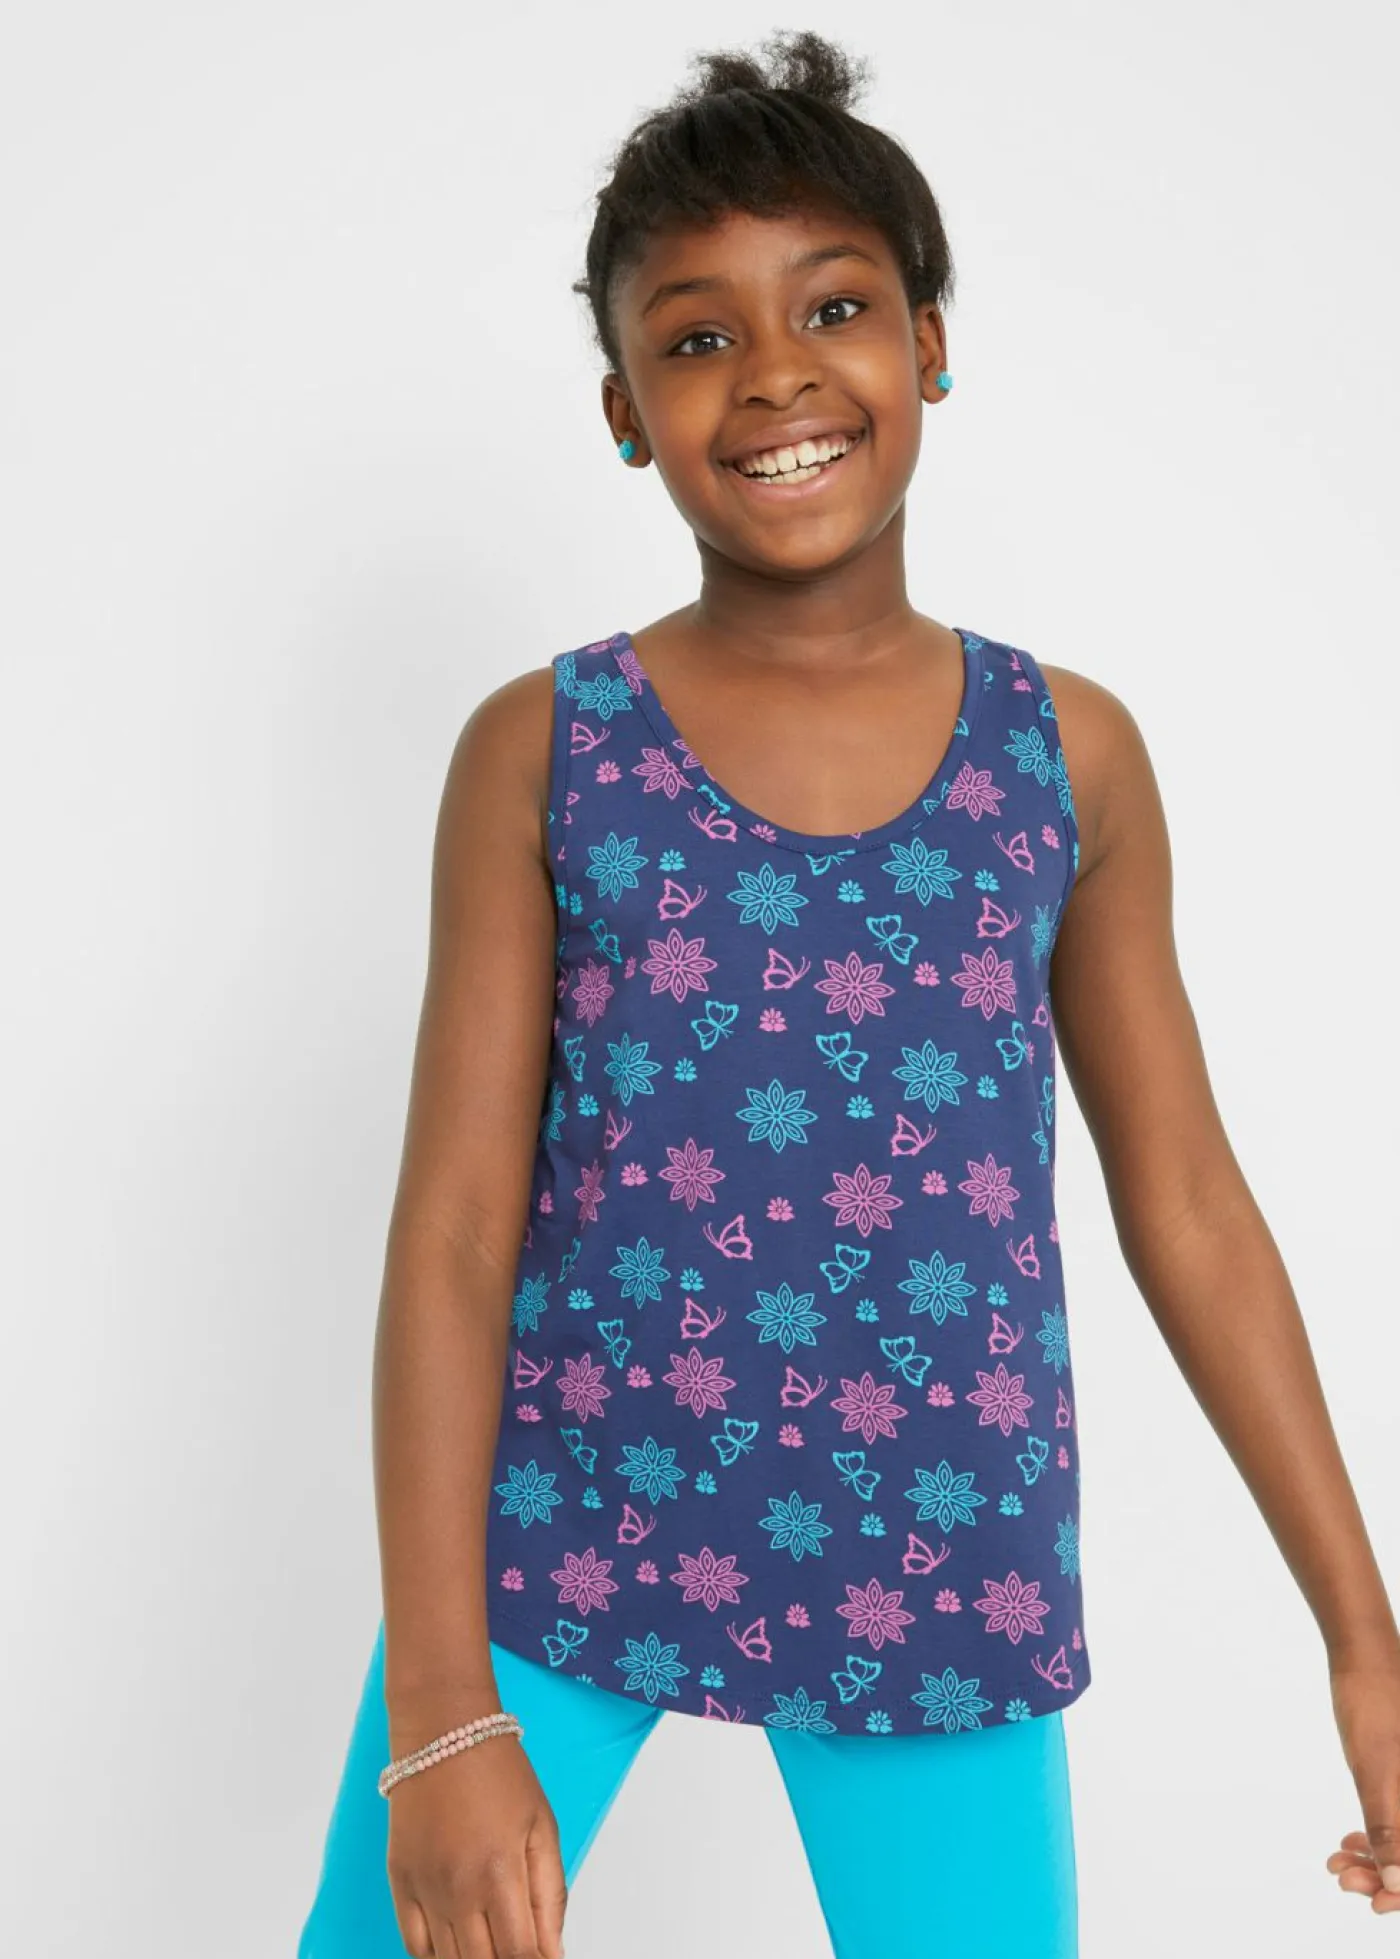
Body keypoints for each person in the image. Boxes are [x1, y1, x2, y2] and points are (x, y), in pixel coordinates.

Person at [295, 30, 1400, 1959]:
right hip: (561, 1539)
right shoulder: (544, 750)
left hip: (942, 1563)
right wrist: (443, 1709)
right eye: (696, 336)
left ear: (929, 343)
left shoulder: (1068, 756)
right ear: (625, 411)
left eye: (832, 307)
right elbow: (457, 1231)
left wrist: (1364, 1638)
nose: (775, 374)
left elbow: (1190, 1205)